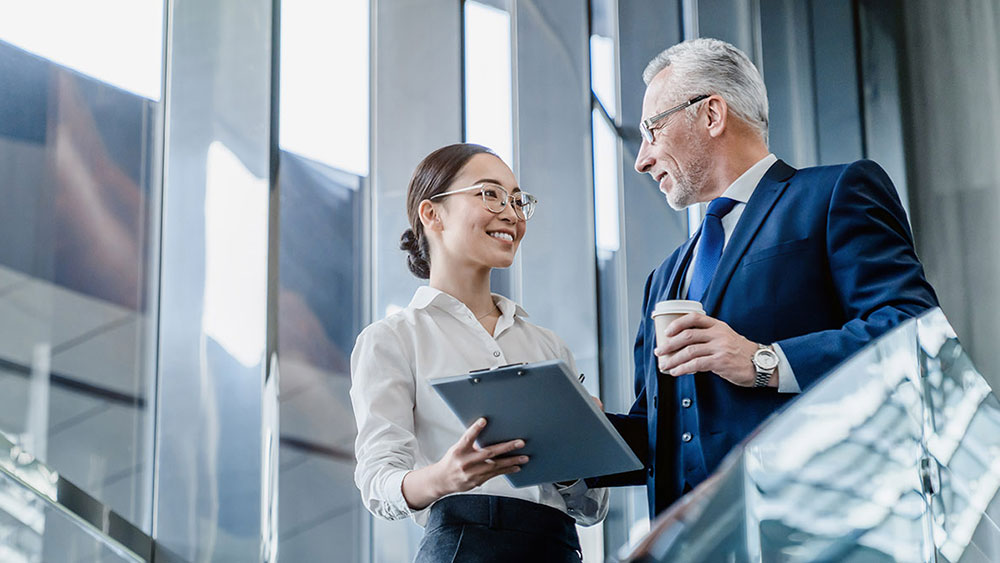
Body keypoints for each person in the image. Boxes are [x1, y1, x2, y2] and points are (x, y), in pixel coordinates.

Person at [592, 38, 939, 518]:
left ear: (711, 114)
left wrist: (764, 362)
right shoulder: (663, 277)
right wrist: (575, 439)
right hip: (694, 540)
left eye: (652, 130)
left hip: (815, 524)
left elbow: (913, 330)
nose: (641, 159)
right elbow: (661, 433)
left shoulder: (834, 193)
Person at [350, 143, 608, 562]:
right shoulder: (393, 339)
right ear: (432, 214)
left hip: (557, 548)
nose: (512, 214)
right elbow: (377, 482)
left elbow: (591, 509)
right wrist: (446, 477)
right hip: (462, 547)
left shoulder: (548, 346)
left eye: (517, 200)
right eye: (490, 194)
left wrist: (573, 454)